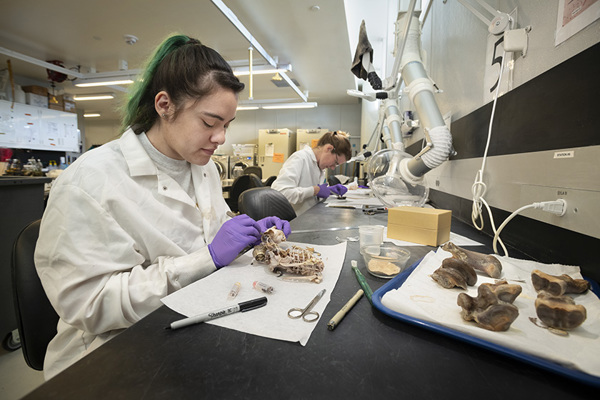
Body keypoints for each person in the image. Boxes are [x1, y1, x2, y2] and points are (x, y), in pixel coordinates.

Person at [34, 35, 290, 379]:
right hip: (107, 357)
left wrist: (252, 234)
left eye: (226, 126)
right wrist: (207, 257)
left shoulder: (205, 168)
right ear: (164, 105)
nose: (221, 138)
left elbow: (211, 229)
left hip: (191, 323)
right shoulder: (91, 180)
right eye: (209, 123)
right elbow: (91, 306)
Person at [271, 131, 352, 215]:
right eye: (335, 162)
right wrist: (315, 190)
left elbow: (311, 197)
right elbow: (279, 194)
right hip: (294, 221)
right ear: (329, 148)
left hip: (311, 216)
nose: (333, 167)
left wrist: (329, 190)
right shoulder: (300, 158)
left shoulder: (319, 166)